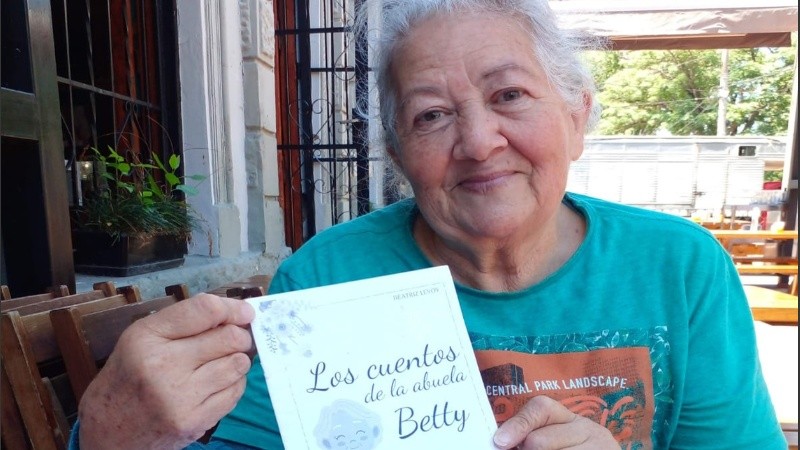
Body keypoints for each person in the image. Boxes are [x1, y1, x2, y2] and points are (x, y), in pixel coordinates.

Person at [71, 0, 786, 448]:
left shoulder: (679, 267)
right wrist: (107, 438)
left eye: (509, 94)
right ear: (399, 156)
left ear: (578, 115)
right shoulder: (327, 277)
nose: (477, 142)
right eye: (431, 115)